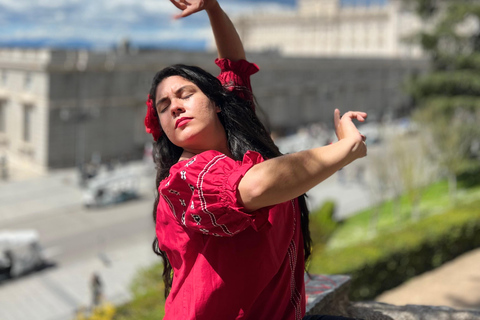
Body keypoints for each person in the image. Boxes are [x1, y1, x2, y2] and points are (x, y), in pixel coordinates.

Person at [144, 1, 367, 319]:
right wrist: (345, 148)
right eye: (164, 106)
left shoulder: (241, 134)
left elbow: (234, 65)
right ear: (163, 126)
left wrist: (212, 8)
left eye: (185, 94)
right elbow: (258, 185)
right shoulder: (186, 179)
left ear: (217, 103)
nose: (175, 106)